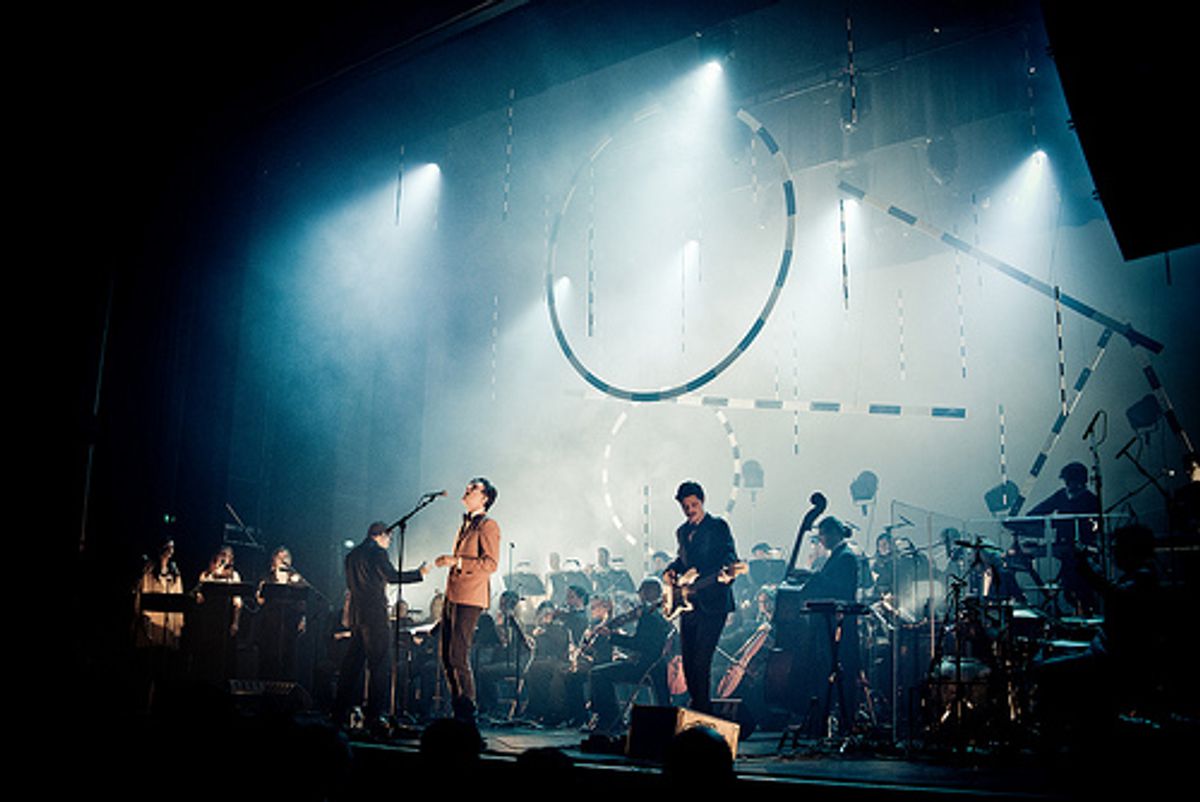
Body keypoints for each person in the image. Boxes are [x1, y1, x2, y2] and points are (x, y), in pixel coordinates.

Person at [334, 521, 429, 733]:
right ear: (380, 535)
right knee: (379, 666)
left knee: (351, 667)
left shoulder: (352, 555)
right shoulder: (377, 553)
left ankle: (338, 713)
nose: (390, 541)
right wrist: (419, 573)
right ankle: (374, 716)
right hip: (375, 616)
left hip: (358, 615)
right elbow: (392, 577)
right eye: (389, 537)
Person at [663, 480, 739, 716]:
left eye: (693, 504)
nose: (690, 510)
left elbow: (729, 554)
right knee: (688, 662)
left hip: (713, 603)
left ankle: (702, 713)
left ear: (702, 501)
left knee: (701, 660)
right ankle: (698, 707)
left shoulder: (718, 527)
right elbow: (682, 561)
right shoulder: (682, 532)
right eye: (685, 506)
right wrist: (671, 570)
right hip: (688, 604)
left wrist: (727, 573)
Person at [435, 477, 501, 724]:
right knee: (445, 654)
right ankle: (458, 707)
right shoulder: (465, 524)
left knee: (458, 653)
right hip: (453, 594)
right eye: (468, 486)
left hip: (470, 597)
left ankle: (468, 709)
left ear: (485, 497)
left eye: (474, 488)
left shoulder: (488, 525)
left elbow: (491, 564)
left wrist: (457, 562)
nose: (467, 489)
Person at [588, 577, 673, 734]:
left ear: (646, 593)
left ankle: (609, 720)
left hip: (645, 667)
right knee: (603, 671)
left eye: (641, 592)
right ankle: (611, 719)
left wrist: (611, 636)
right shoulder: (664, 612)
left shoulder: (649, 615)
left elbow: (639, 644)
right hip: (658, 667)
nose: (639, 596)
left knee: (598, 673)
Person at [1021, 461, 1100, 613]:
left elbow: (1097, 524)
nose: (1068, 485)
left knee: (1081, 584)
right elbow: (1037, 512)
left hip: (1083, 548)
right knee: (1069, 585)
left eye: (1070, 481)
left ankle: (1087, 610)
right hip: (1063, 546)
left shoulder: (1090, 500)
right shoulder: (1061, 495)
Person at [255, 545, 308, 682]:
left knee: (288, 653)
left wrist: (303, 619)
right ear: (274, 559)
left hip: (289, 622)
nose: (284, 560)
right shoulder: (267, 577)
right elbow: (260, 600)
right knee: (270, 653)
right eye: (280, 557)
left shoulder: (295, 578)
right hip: (271, 621)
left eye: (286, 557)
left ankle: (287, 684)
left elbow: (303, 601)